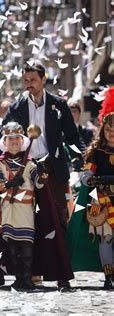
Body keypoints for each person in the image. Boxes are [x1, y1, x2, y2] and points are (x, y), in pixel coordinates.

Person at [0, 60, 84, 288]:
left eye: (33, 80)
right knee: (28, 223)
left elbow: (73, 138)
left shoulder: (58, 104)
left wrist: (84, 162)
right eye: (25, 80)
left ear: (43, 79)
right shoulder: (17, 107)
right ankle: (29, 274)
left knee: (58, 221)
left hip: (52, 170)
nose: (29, 84)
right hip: (25, 169)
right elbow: (1, 139)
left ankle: (61, 273)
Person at [0, 122, 48, 289]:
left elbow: (39, 183)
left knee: (26, 244)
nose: (14, 142)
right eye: (10, 138)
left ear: (23, 141)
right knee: (12, 247)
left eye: (17, 138)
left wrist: (42, 174)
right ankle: (18, 276)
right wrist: (9, 183)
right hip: (8, 208)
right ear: (4, 142)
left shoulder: (29, 163)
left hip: (26, 208)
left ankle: (27, 277)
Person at [66, 93, 114, 289]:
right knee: (106, 239)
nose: (112, 133)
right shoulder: (96, 152)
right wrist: (90, 178)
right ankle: (109, 276)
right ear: (103, 130)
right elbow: (87, 173)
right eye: (109, 129)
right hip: (101, 200)